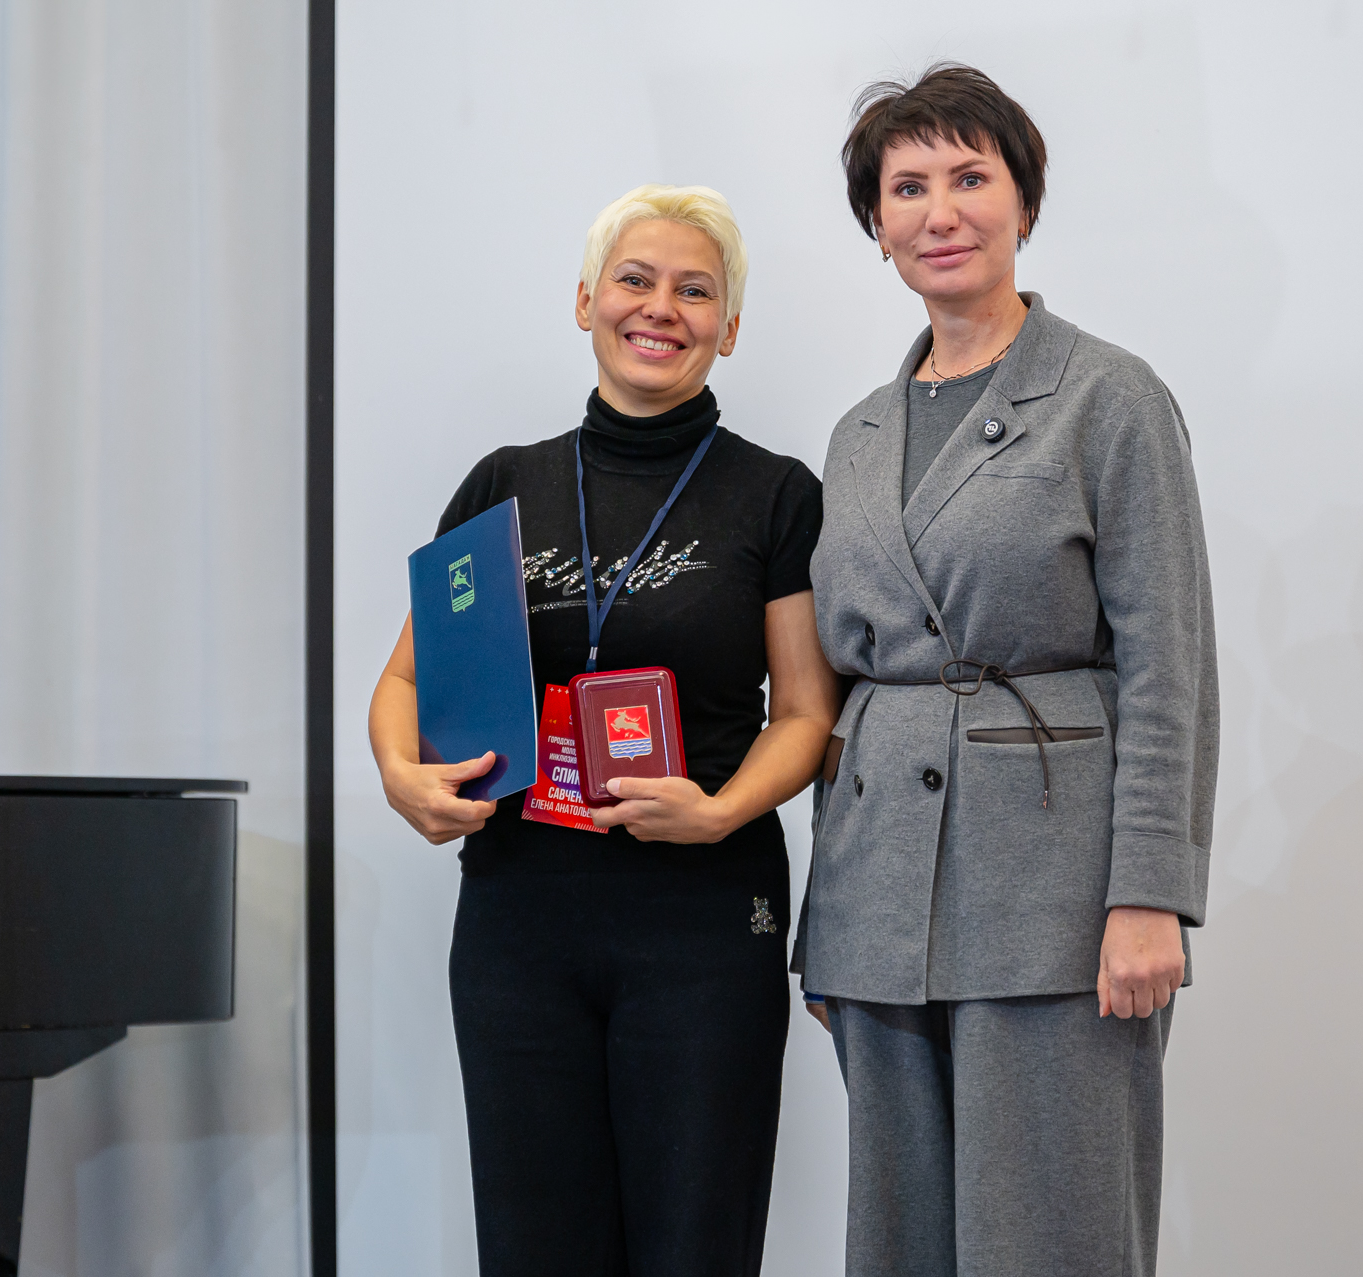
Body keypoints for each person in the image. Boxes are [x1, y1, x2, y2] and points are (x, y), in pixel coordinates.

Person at [792, 65, 1219, 1277]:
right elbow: (844, 695)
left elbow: (1169, 661)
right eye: (907, 187)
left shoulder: (1109, 396)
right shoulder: (858, 432)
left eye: (970, 177)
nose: (941, 211)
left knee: (1053, 1238)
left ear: (1023, 203)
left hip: (1055, 895)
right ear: (877, 225)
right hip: (878, 906)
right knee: (898, 1246)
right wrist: (826, 920)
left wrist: (1151, 892)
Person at [368, 184, 838, 1277]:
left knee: (694, 1242)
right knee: (534, 1245)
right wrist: (400, 773)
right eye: (635, 279)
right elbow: (405, 678)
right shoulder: (503, 486)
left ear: (729, 327)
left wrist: (720, 809)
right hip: (519, 922)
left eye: (695, 290)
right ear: (586, 301)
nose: (660, 307)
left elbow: (808, 712)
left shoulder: (777, 496)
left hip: (703, 922)